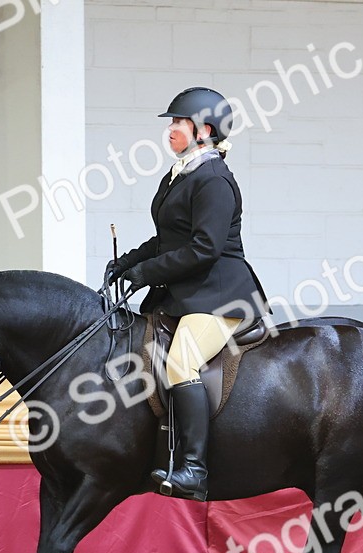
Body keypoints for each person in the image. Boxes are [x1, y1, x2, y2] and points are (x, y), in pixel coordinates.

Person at [106, 87, 269, 502]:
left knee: (181, 363)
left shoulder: (214, 179)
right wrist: (127, 262)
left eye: (178, 122)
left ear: (204, 130)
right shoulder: (179, 173)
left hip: (219, 295)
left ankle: (194, 470)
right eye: (172, 123)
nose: (171, 130)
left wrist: (145, 273)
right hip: (185, 293)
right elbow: (168, 240)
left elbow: (204, 249)